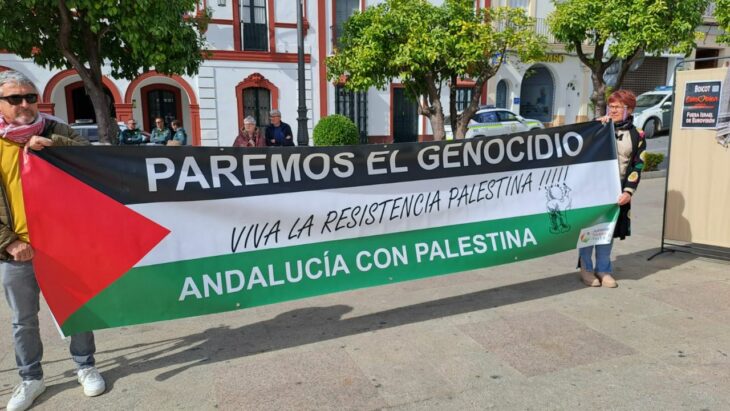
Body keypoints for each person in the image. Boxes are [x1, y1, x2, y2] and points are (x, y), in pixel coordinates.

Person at [0, 70, 106, 411]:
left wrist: (54, 145)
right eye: (14, 98)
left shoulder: (54, 129)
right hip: (17, 250)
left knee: (78, 309)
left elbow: (92, 158)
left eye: (30, 97)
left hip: (63, 245)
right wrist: (8, 242)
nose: (24, 104)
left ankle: (85, 366)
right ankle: (31, 378)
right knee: (23, 320)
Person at [579, 89, 646, 288]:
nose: (613, 110)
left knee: (607, 230)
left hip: (617, 190)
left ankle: (603, 269)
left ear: (630, 109)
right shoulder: (599, 127)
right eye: (611, 106)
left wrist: (628, 191)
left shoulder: (637, 135)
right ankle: (586, 268)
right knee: (588, 228)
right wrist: (595, 127)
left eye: (618, 107)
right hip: (593, 189)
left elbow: (638, 165)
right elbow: (581, 150)